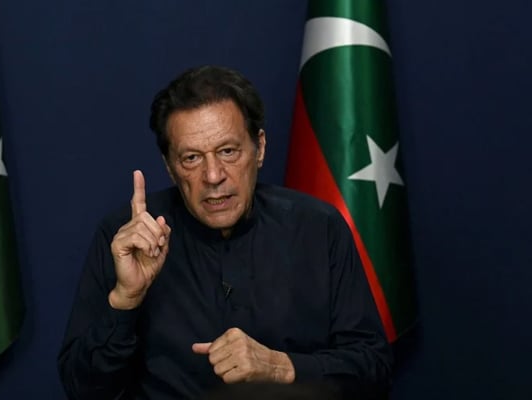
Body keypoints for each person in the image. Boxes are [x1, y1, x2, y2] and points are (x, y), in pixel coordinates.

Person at [57, 65, 392, 399]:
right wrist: (125, 300)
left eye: (228, 151)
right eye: (191, 158)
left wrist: (280, 367)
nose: (213, 175)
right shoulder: (125, 239)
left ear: (259, 148)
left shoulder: (320, 228)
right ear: (169, 167)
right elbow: (82, 390)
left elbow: (374, 369)